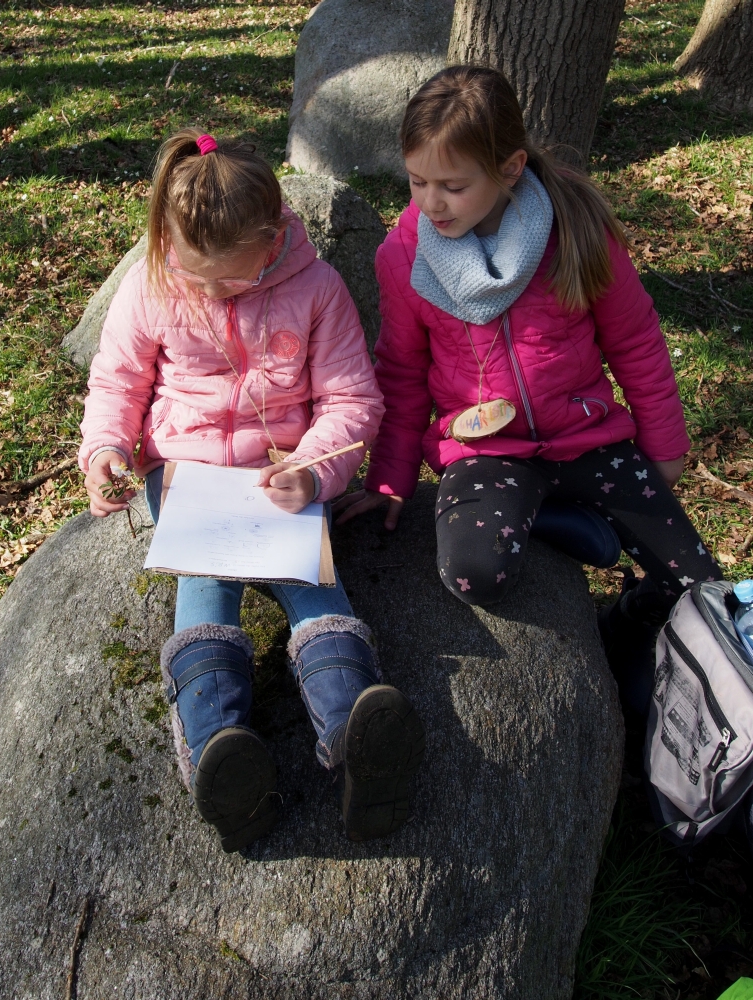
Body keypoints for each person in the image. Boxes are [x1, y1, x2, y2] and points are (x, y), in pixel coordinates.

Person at [78, 129, 425, 853]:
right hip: (186, 475)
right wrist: (107, 447)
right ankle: (218, 750)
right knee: (204, 586)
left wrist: (314, 468)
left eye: (226, 281)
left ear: (272, 240)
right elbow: (118, 379)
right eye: (195, 275)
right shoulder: (151, 282)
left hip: (283, 480)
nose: (208, 291)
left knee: (314, 586)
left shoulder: (317, 289)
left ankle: (352, 731)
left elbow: (351, 401)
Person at [336, 66, 722, 712]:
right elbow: (401, 375)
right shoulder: (404, 255)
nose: (431, 203)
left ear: (510, 168)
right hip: (487, 455)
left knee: (698, 586)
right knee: (472, 573)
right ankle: (561, 520)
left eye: (453, 186)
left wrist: (664, 445)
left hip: (587, 439)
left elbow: (636, 343)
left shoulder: (573, 230)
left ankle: (625, 621)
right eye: (417, 181)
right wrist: (390, 481)